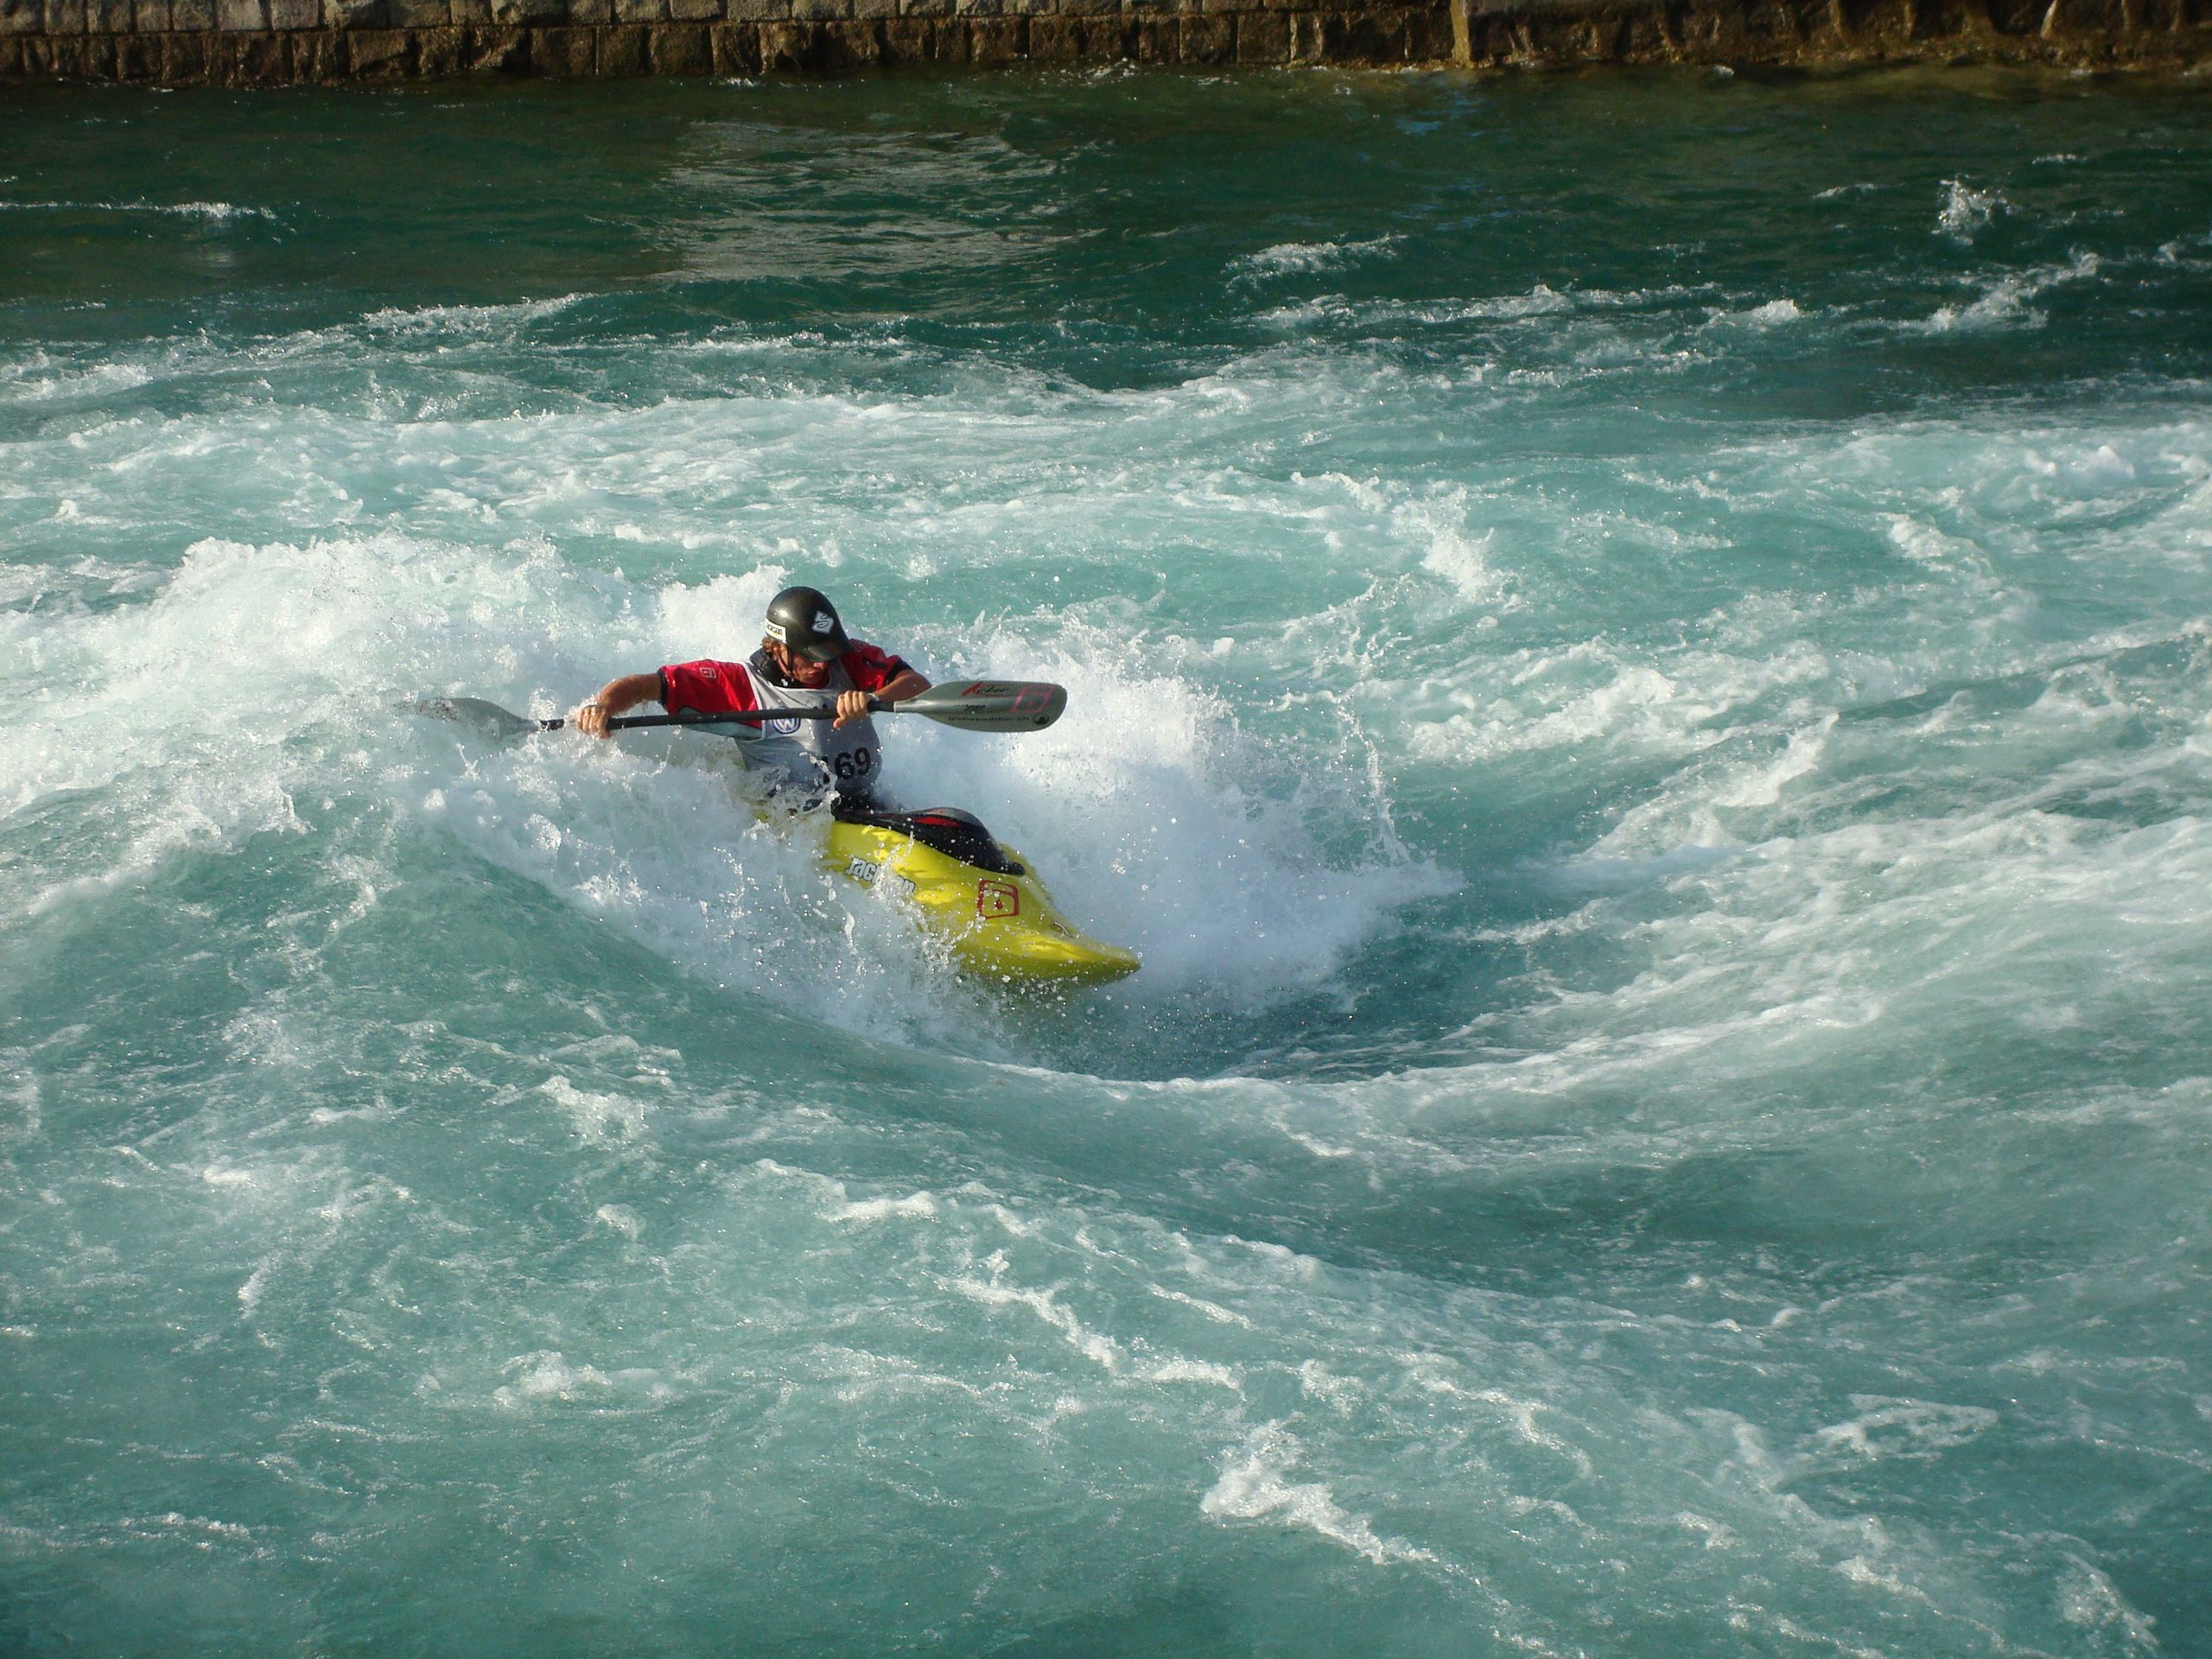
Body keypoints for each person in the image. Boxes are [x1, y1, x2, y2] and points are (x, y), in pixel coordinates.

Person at [570, 585, 931, 815]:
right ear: (778, 649)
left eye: (827, 652)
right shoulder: (741, 687)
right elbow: (648, 685)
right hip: (804, 823)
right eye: (810, 654)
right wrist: (603, 707)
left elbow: (916, 684)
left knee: (956, 829)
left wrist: (873, 698)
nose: (822, 662)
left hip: (865, 803)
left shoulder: (847, 658)